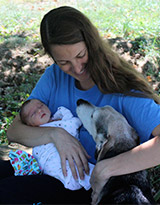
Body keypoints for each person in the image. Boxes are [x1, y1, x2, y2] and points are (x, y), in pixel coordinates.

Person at [0, 5, 159, 204]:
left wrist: (105, 169)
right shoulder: (54, 76)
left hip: (85, 185)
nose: (76, 68)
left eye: (80, 55)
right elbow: (14, 130)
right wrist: (57, 135)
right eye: (63, 61)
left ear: (92, 44)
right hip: (45, 166)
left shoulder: (124, 90)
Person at [13, 98, 94, 190]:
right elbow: (73, 124)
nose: (39, 110)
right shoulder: (36, 131)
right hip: (48, 161)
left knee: (76, 167)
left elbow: (71, 128)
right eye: (34, 113)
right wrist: (76, 121)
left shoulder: (59, 120)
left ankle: (82, 180)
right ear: (30, 125)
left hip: (66, 157)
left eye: (41, 106)